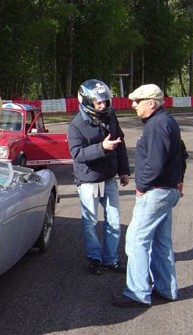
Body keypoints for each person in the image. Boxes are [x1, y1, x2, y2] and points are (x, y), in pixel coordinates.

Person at [113, 84, 187, 307]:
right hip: (168, 190)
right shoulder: (166, 121)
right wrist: (179, 179)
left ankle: (137, 292)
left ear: (151, 103)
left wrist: (141, 187)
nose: (133, 105)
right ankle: (166, 289)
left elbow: (154, 165)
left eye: (138, 101)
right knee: (161, 242)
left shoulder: (156, 126)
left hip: (156, 192)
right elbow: (181, 153)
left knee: (136, 240)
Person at [68, 79, 130, 275]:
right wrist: (101, 148)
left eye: (105, 101)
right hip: (89, 180)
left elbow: (120, 144)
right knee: (90, 221)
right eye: (98, 103)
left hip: (109, 177)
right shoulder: (76, 125)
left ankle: (110, 259)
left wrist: (124, 170)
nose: (103, 106)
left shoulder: (111, 116)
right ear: (87, 102)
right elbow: (77, 154)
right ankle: (94, 258)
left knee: (113, 219)